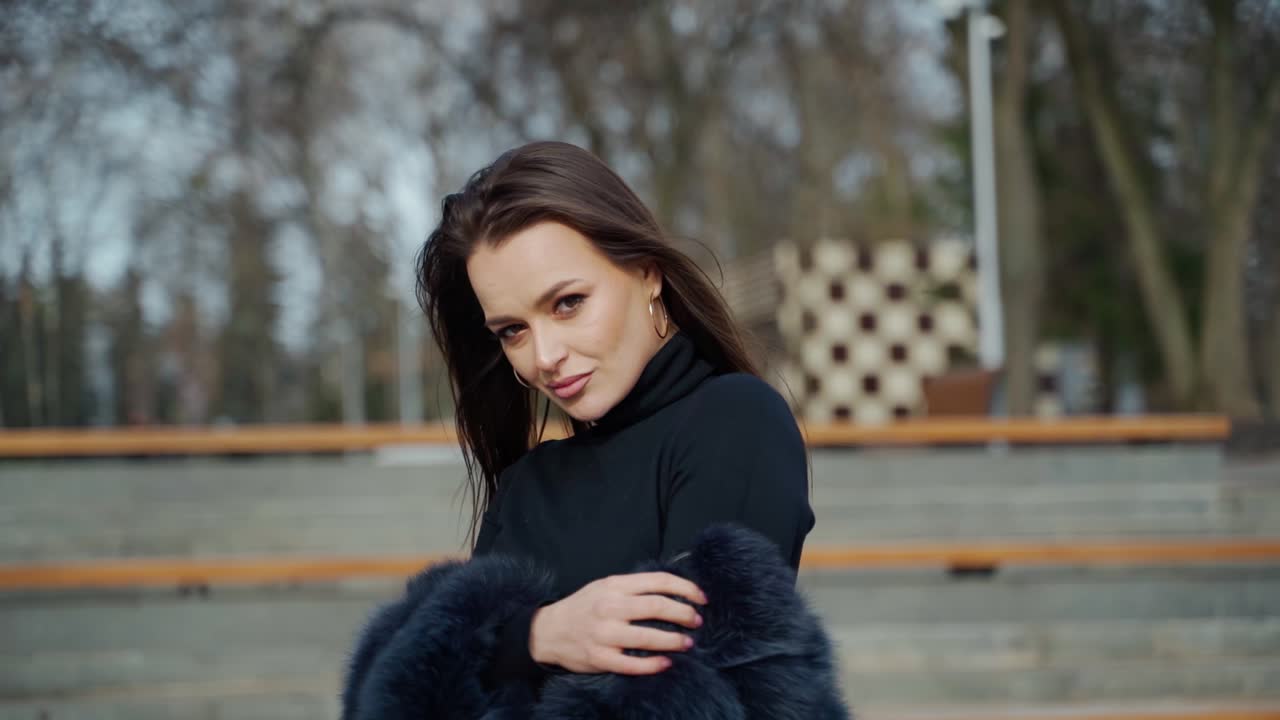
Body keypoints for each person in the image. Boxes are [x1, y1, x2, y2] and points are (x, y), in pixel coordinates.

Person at [340, 141, 848, 719]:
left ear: (647, 273)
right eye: (511, 331)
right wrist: (541, 635)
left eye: (567, 303)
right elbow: (385, 699)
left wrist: (504, 656)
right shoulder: (528, 483)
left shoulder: (735, 421)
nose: (544, 356)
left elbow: (690, 692)